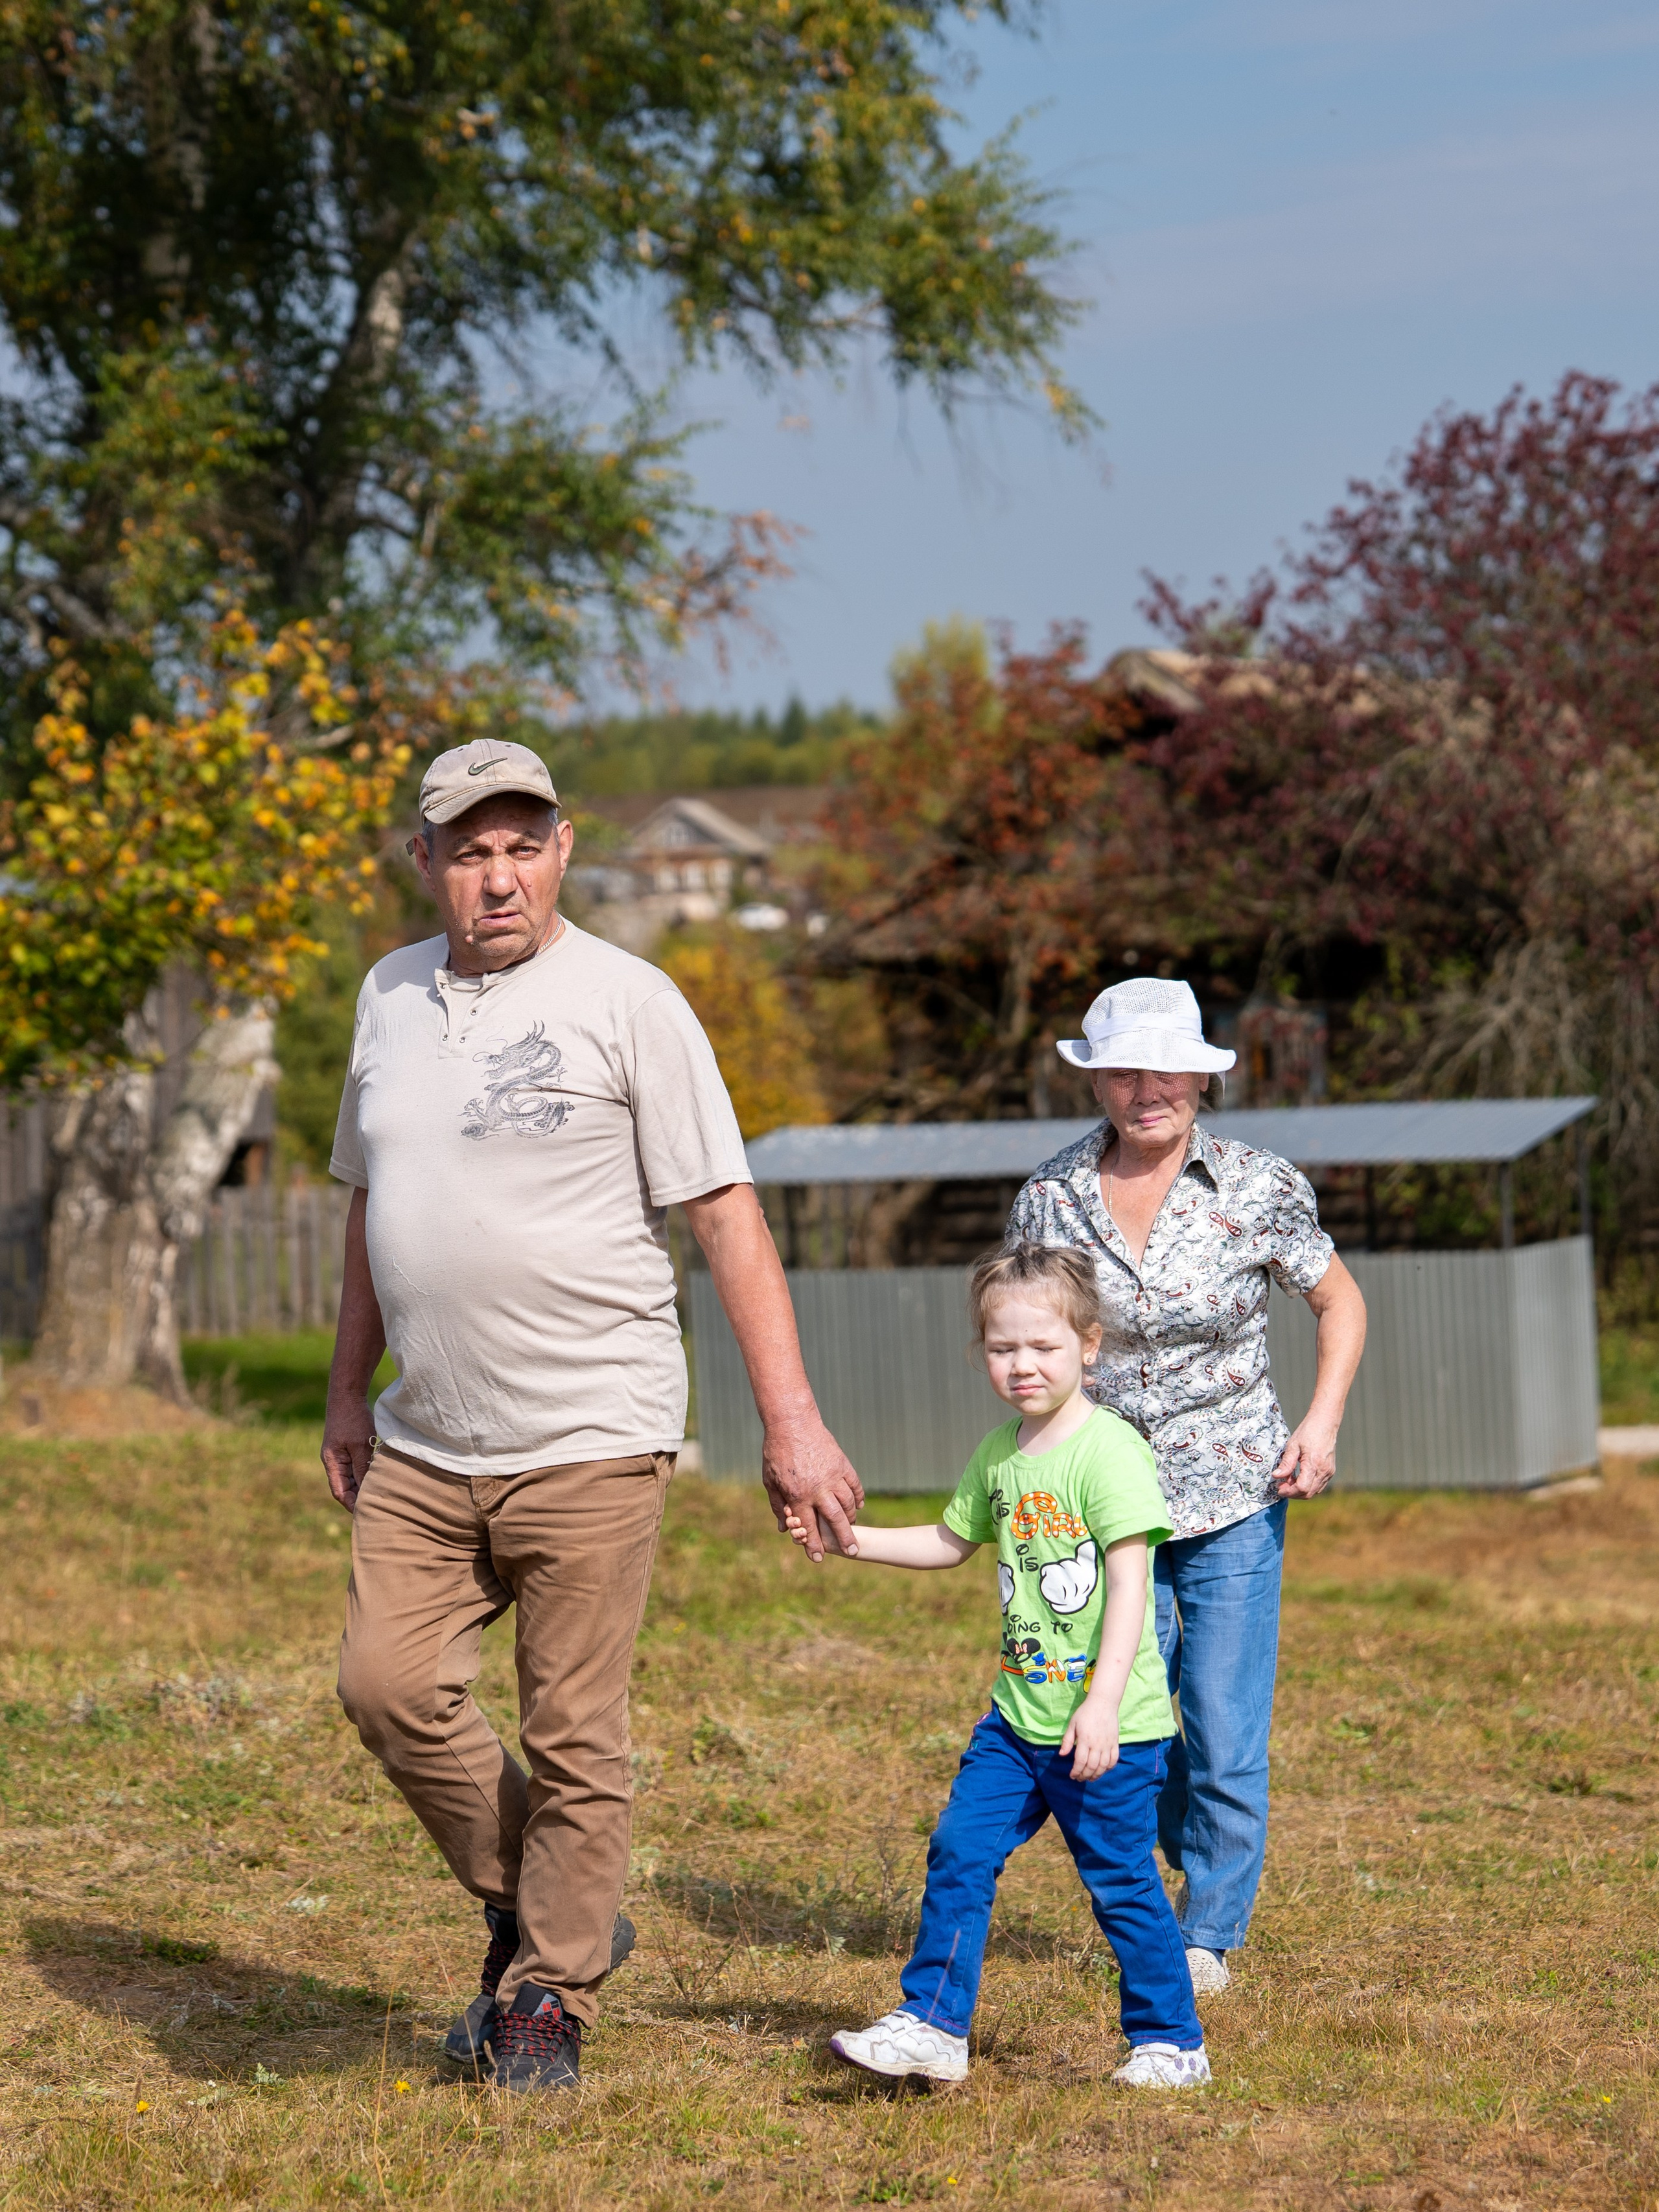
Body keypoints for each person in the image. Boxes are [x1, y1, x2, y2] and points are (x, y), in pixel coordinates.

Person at [323, 737, 864, 2093]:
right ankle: (549, 1908)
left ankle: (545, 1998)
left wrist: (788, 1423)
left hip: (593, 1429)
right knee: (385, 1688)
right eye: (467, 849)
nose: (496, 877)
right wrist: (345, 1391)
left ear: (563, 850)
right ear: (424, 862)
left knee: (574, 1732)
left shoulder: (633, 1001)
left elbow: (726, 1216)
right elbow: (365, 1206)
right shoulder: (388, 997)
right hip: (426, 1437)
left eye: (521, 845)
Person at [1006, 976, 1367, 1994]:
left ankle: (1207, 1931)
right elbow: (1033, 1334)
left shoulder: (1260, 1185)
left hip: (1234, 1496)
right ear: (1099, 1082)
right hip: (1104, 1506)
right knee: (1128, 1723)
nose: (1146, 1089)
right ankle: (1166, 1865)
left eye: (1165, 1069)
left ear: (1199, 1078)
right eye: (1124, 1070)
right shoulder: (1050, 1194)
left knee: (1221, 1723)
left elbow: (1340, 1306)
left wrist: (1322, 1423)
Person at [788, 1241, 1209, 2092]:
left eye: (1043, 1347)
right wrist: (848, 1537)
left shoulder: (1110, 1452)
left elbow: (1133, 1586)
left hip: (1109, 1732)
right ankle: (934, 2025)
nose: (1022, 1365)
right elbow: (950, 1542)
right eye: (1002, 1347)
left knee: (1120, 1884)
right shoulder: (999, 1455)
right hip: (1017, 1724)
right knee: (959, 1848)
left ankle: (1172, 2042)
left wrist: (1098, 1706)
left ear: (1089, 1344)